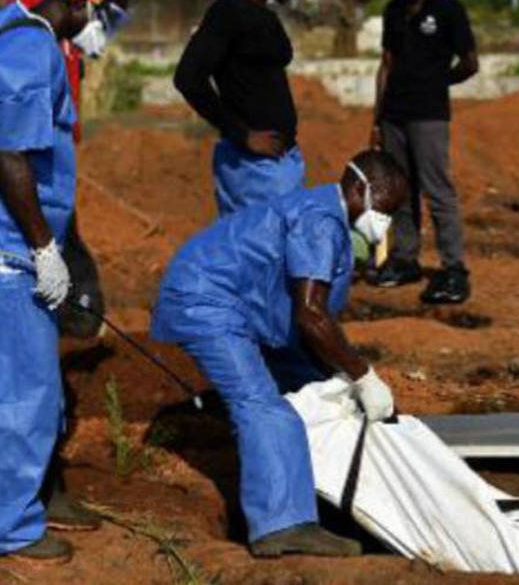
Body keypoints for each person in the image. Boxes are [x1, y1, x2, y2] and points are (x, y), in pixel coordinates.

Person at [151, 150, 407, 557]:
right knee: (263, 405)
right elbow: (310, 314)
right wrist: (362, 375)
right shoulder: (320, 221)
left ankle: (308, 488)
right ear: (360, 189)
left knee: (312, 383)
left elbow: (309, 320)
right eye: (384, 210)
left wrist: (337, 376)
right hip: (206, 300)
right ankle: (282, 526)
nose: (384, 223)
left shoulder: (327, 218)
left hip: (238, 303)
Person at [0, 0, 130, 563]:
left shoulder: (20, 37)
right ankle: (14, 528)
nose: (105, 34)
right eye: (109, 17)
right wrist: (46, 249)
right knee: (28, 396)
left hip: (13, 245)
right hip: (13, 250)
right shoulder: (32, 46)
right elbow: (9, 154)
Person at [369, 0, 478, 304]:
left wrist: (439, 82)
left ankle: (453, 268)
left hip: (429, 115)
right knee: (401, 190)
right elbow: (386, 64)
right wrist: (377, 118)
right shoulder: (394, 10)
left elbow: (470, 62)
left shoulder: (447, 8)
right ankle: (405, 258)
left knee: (437, 190)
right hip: (394, 115)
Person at [174, 0, 311, 216]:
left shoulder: (265, 16)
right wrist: (242, 134)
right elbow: (188, 77)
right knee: (266, 250)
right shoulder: (228, 11)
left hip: (278, 162)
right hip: (253, 168)